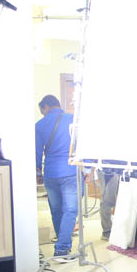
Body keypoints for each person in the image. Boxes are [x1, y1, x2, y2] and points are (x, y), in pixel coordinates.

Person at [35, 94, 77, 261]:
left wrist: (38, 172)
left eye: (42, 111)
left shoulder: (39, 125)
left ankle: (62, 244)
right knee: (70, 210)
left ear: (46, 107)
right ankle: (62, 248)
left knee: (56, 210)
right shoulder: (73, 119)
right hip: (70, 171)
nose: (43, 114)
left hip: (51, 173)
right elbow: (81, 144)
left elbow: (37, 152)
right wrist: (87, 167)